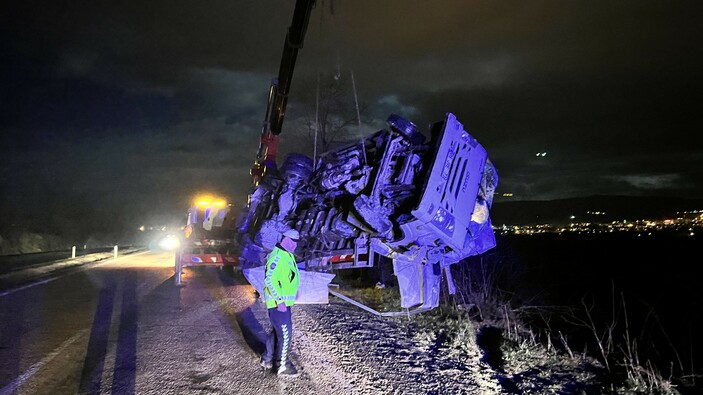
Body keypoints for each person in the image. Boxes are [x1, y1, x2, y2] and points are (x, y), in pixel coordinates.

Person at [260, 228, 301, 377]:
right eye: (293, 242)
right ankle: (282, 365)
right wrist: (279, 300)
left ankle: (267, 359)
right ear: (286, 240)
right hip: (278, 304)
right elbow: (269, 280)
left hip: (284, 303)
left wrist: (294, 290)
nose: (295, 245)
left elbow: (288, 276)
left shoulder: (287, 255)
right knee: (285, 333)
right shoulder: (277, 257)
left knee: (277, 332)